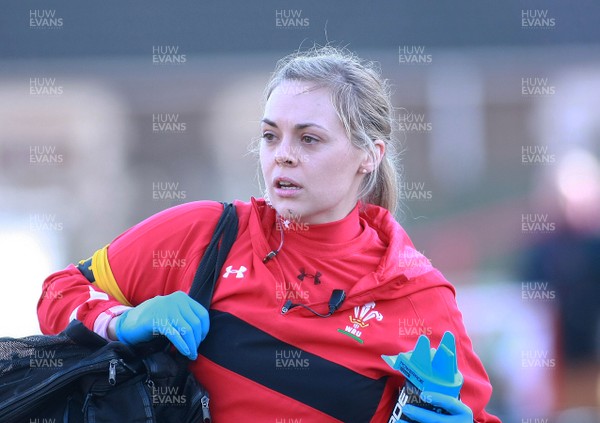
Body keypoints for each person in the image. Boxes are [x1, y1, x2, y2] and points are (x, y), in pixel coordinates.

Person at [38, 46, 500, 422]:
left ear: (369, 156)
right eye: (270, 136)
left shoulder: (420, 297)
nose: (283, 156)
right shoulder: (203, 234)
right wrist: (120, 321)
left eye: (309, 139)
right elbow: (58, 293)